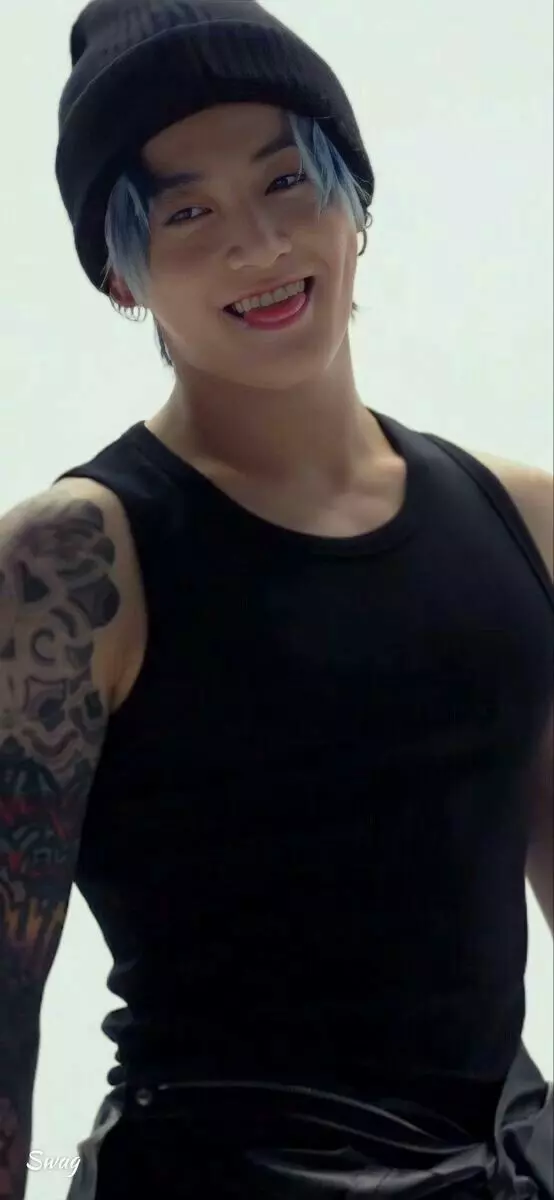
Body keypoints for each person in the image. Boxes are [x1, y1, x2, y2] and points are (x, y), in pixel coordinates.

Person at [1, 1, 553, 1196]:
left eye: (285, 181)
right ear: (118, 272)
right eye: (187, 213)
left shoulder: (526, 521)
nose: (258, 246)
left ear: (354, 198)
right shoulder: (73, 564)